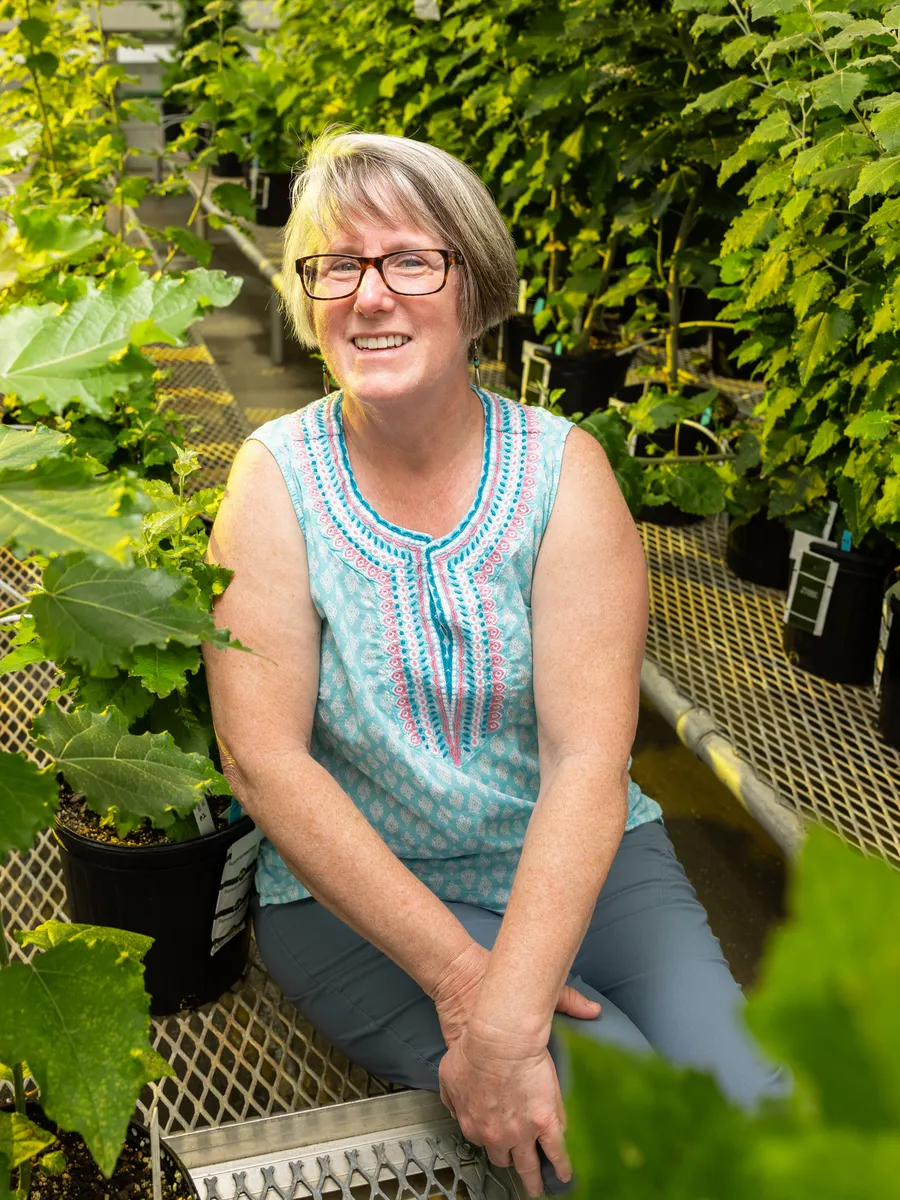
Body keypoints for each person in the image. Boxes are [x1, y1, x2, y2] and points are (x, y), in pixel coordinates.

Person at [202, 129, 786, 1198]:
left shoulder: (564, 471)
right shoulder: (273, 482)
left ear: (474, 280)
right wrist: (473, 996)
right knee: (612, 1123)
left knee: (750, 1104)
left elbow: (587, 757)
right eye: (336, 266)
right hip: (363, 897)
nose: (369, 296)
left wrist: (509, 1008)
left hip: (582, 865)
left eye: (408, 260)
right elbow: (263, 762)